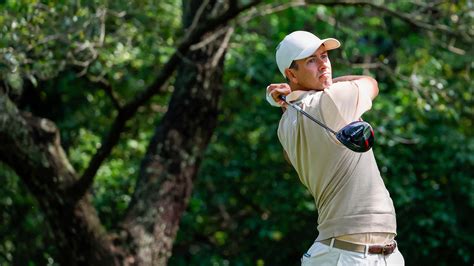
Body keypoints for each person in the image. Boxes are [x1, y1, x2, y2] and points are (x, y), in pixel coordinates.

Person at [266, 31, 405, 265]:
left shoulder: (285, 125)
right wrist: (309, 91)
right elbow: (370, 83)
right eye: (311, 60)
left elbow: (291, 157)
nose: (323, 65)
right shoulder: (329, 101)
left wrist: (291, 97)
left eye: (324, 56)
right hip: (350, 255)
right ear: (291, 74)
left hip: (360, 253)